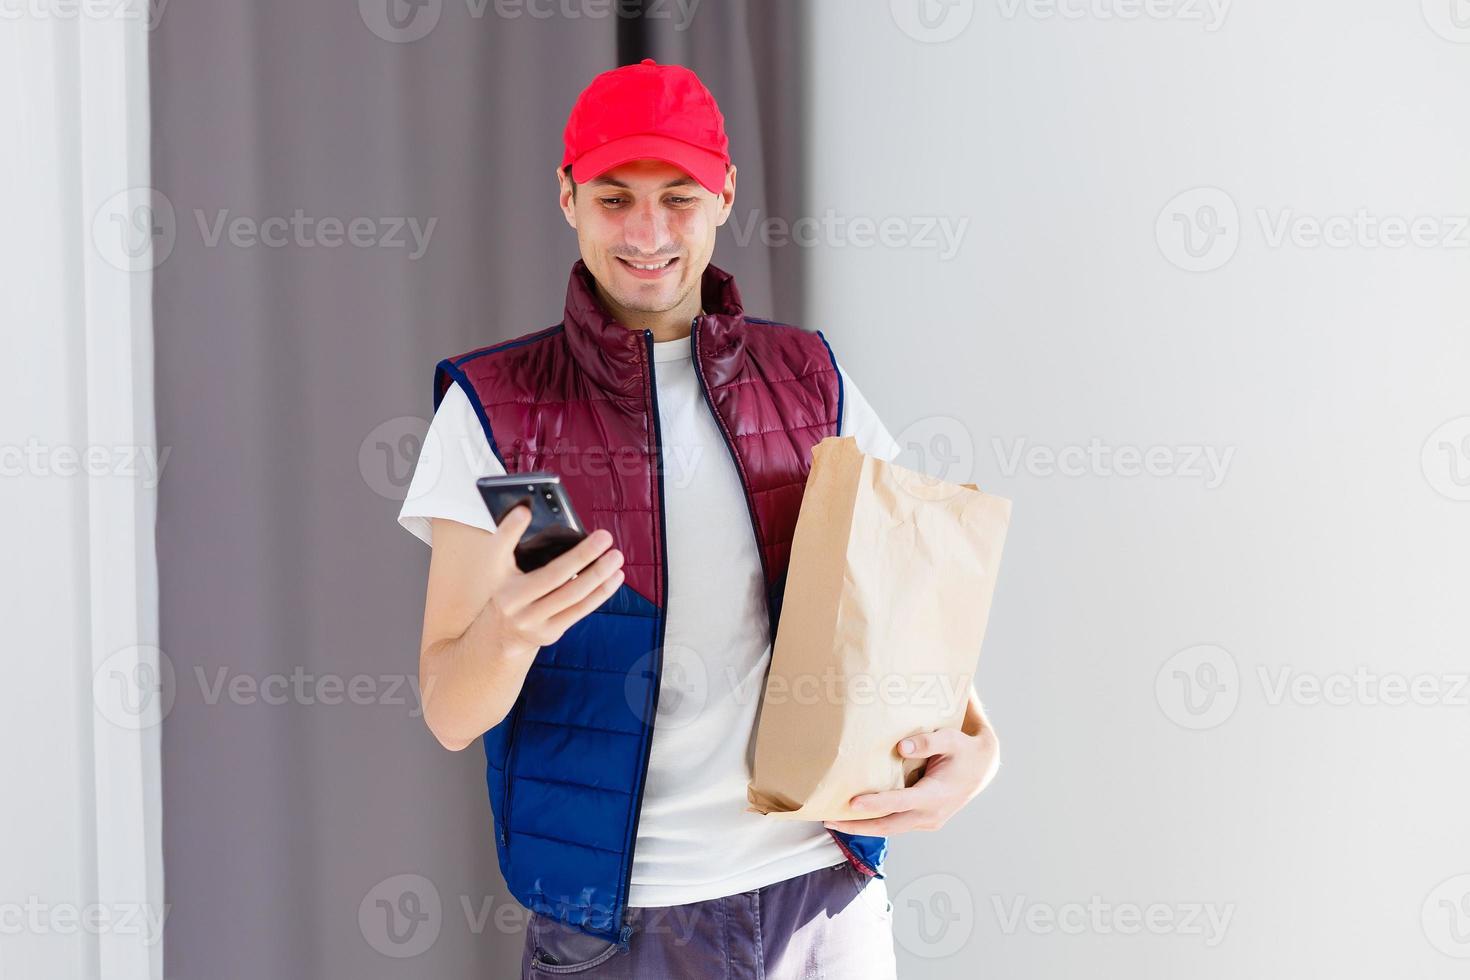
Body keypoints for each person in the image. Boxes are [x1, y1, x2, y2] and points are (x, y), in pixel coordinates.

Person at [397, 58, 1000, 978]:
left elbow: (895, 618)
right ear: (566, 197)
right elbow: (448, 709)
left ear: (724, 195)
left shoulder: (812, 377)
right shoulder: (493, 405)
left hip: (825, 897)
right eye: (614, 198)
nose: (647, 232)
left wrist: (979, 749)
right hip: (621, 929)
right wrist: (510, 634)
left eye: (678, 197)